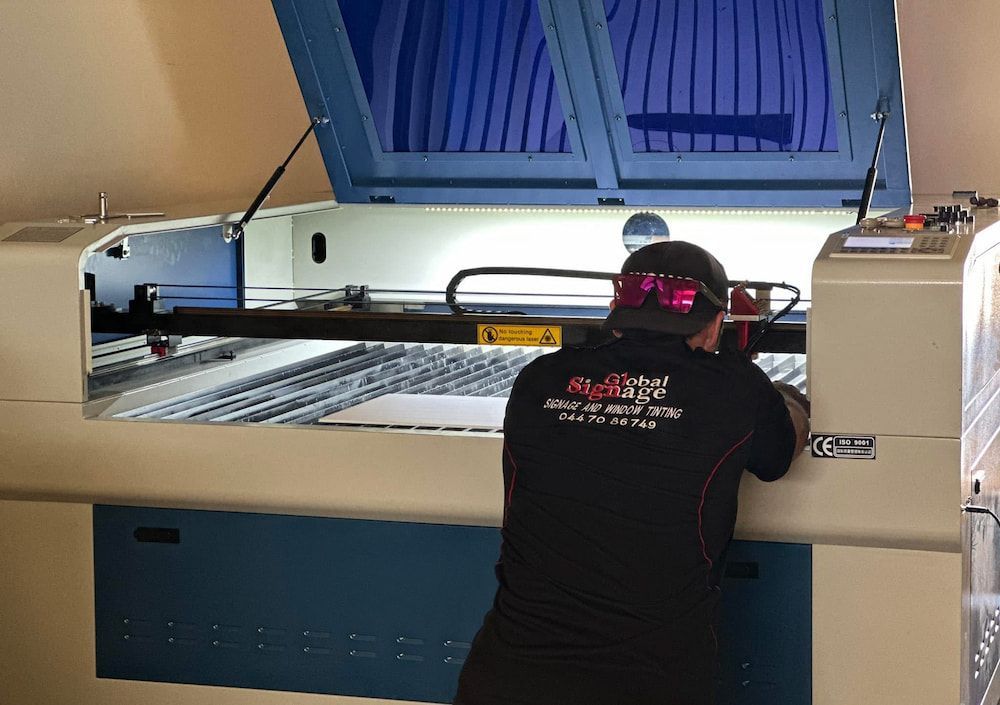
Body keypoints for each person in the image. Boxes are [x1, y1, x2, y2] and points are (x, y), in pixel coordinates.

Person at [454, 241, 809, 705]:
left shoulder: (538, 378)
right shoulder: (733, 387)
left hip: (503, 677)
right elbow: (777, 454)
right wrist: (786, 398)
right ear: (715, 325)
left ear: (615, 316)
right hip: (647, 683)